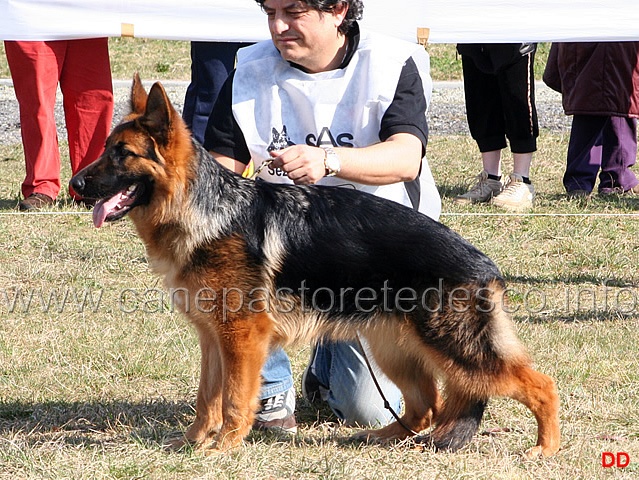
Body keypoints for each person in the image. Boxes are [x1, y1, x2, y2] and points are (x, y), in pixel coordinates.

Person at [203, 0, 441, 433]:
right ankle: (271, 388)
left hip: (370, 257)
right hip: (281, 254)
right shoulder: (249, 69)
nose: (278, 26)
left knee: (365, 411)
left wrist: (328, 160)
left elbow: (407, 157)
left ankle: (325, 359)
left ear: (337, 10)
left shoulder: (389, 62)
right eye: (270, 13)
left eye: (293, 13)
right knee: (232, 269)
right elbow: (221, 170)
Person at [4, 38, 114, 210]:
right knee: (36, 101)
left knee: (93, 97)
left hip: (85, 18)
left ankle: (92, 183)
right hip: (32, 17)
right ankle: (41, 186)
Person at [543, 42, 639, 197]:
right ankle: (582, 182)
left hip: (621, 36)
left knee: (620, 103)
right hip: (588, 33)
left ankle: (616, 179)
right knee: (590, 101)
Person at [454, 43, 539, 211]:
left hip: (514, 34)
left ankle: (522, 180)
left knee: (517, 100)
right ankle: (491, 178)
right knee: (480, 101)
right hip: (475, 29)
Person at [182, 42, 250, 143]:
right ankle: (198, 150)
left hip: (259, 29)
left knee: (255, 93)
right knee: (211, 94)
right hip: (217, 31)